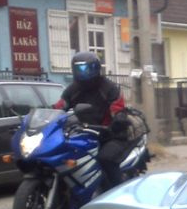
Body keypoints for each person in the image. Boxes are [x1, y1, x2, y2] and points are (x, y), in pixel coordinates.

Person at [55, 51, 133, 192]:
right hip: (86, 133)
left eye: (86, 69)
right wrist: (48, 114)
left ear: (96, 68)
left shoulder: (108, 88)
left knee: (105, 159)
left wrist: (118, 118)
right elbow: (61, 105)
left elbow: (118, 108)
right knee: (66, 156)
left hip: (110, 135)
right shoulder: (74, 89)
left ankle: (118, 193)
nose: (83, 73)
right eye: (79, 69)